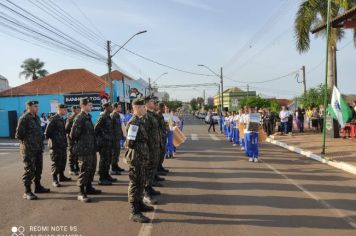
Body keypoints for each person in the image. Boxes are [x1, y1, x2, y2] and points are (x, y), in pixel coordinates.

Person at [16, 101, 50, 200]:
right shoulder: (24, 118)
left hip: (38, 148)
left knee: (39, 168)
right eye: (35, 106)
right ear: (29, 107)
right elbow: (18, 135)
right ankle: (27, 191)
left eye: (37, 106)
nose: (37, 108)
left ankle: (38, 187)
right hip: (29, 150)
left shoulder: (36, 118)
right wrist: (29, 142)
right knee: (29, 170)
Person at [126, 98, 153, 223]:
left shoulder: (140, 121)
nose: (144, 109)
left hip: (141, 157)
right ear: (136, 108)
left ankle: (140, 204)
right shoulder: (134, 123)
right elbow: (130, 143)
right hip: (136, 158)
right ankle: (134, 212)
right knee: (135, 183)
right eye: (142, 107)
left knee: (141, 182)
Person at [70, 98, 101, 203]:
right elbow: (73, 134)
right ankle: (81, 192)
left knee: (91, 169)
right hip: (84, 150)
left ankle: (89, 187)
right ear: (83, 105)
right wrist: (81, 144)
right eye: (89, 105)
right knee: (84, 170)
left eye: (91, 105)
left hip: (91, 149)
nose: (91, 106)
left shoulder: (87, 117)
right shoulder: (80, 118)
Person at [45, 104, 71, 188]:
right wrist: (55, 140)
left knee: (62, 161)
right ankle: (54, 179)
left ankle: (61, 176)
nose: (66, 111)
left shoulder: (61, 119)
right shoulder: (54, 119)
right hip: (56, 145)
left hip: (62, 145)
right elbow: (47, 133)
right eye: (64, 109)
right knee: (56, 163)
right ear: (59, 109)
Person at [143, 96, 161, 205]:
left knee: (153, 168)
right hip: (149, 147)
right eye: (151, 101)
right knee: (148, 170)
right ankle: (146, 193)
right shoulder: (146, 116)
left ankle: (150, 188)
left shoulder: (152, 114)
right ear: (146, 103)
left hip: (155, 146)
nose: (153, 103)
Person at [95, 102, 116, 185]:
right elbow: (96, 129)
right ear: (107, 107)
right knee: (103, 160)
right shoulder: (103, 116)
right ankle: (102, 178)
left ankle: (106, 175)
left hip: (108, 142)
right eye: (111, 107)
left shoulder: (108, 116)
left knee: (108, 160)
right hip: (103, 143)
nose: (112, 108)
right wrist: (102, 138)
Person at [66, 105, 81, 175]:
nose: (79, 110)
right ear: (74, 110)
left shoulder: (78, 117)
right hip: (72, 139)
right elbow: (67, 129)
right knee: (72, 154)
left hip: (77, 139)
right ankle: (72, 169)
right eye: (78, 109)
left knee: (77, 154)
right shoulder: (71, 118)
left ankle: (77, 167)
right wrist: (72, 135)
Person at [110, 103, 125, 175]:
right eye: (119, 107)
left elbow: (119, 127)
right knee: (114, 153)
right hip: (113, 138)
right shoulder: (112, 116)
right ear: (115, 108)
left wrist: (122, 135)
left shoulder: (118, 115)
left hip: (117, 137)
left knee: (117, 153)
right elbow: (110, 128)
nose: (121, 108)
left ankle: (116, 165)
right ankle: (113, 168)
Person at [157, 102, 170, 174]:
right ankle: (158, 168)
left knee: (162, 153)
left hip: (163, 136)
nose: (165, 109)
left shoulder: (161, 115)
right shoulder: (158, 115)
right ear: (160, 108)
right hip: (160, 137)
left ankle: (160, 166)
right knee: (159, 154)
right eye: (164, 108)